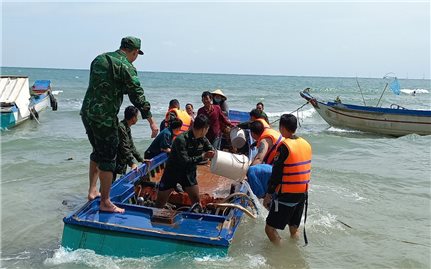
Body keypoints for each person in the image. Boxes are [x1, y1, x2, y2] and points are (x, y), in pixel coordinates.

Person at [80, 36, 158, 213]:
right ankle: (105, 202)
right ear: (135, 51)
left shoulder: (99, 59)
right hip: (105, 117)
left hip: (87, 113)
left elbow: (104, 85)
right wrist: (151, 121)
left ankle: (92, 191)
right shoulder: (127, 67)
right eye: (137, 54)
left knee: (97, 152)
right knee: (109, 157)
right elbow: (137, 95)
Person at [263, 114, 312, 245]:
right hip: (302, 194)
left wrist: (268, 194)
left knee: (269, 229)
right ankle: (295, 251)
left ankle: (281, 254)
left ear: (282, 127)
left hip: (286, 195)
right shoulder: (305, 143)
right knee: (293, 228)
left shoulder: (284, 146)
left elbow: (276, 174)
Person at [155, 114, 215, 208]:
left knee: (196, 202)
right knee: (159, 204)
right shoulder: (181, 140)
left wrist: (213, 154)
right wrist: (203, 156)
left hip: (188, 174)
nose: (207, 131)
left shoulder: (203, 139)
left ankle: (195, 217)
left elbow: (211, 150)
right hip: (172, 173)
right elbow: (185, 161)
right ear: (204, 129)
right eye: (207, 129)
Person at [114, 106, 145, 180]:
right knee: (109, 183)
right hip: (114, 159)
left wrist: (141, 159)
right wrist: (132, 163)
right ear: (133, 117)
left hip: (120, 160)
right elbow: (124, 147)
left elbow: (131, 146)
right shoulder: (121, 128)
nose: (137, 119)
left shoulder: (126, 127)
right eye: (137, 117)